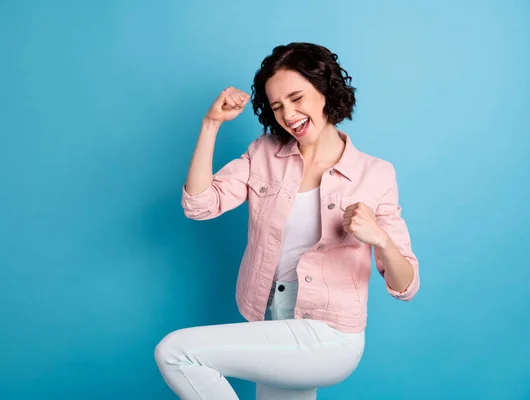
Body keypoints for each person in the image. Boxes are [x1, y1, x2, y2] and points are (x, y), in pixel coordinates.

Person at [155, 42, 420, 400]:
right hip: (271, 316)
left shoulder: (375, 174)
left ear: (325, 91)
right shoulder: (264, 153)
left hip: (330, 333)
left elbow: (406, 286)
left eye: (297, 98)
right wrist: (211, 124)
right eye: (277, 106)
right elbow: (200, 205)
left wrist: (381, 240)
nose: (288, 114)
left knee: (177, 352)